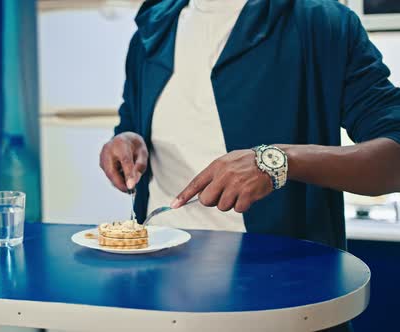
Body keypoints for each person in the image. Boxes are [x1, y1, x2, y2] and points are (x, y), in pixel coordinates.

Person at [99, 1, 400, 330]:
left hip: (277, 301)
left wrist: (277, 161)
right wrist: (128, 138)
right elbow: (132, 118)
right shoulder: (154, 26)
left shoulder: (319, 22)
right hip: (159, 295)